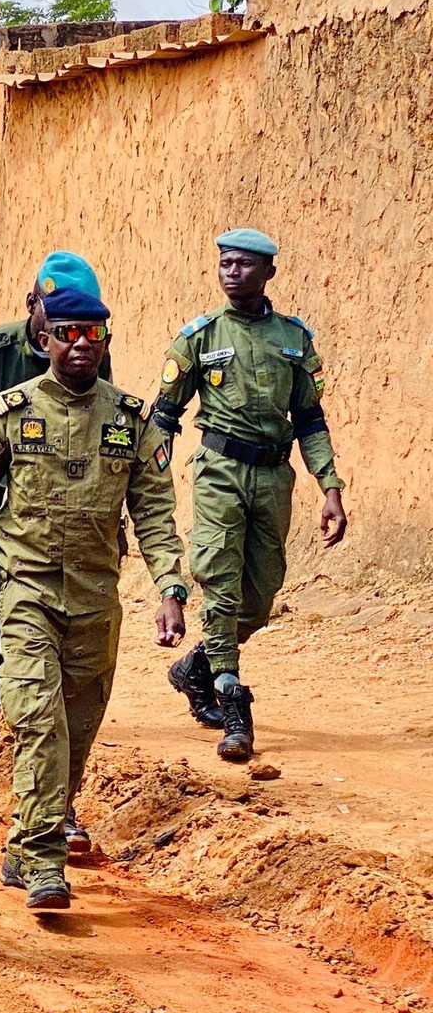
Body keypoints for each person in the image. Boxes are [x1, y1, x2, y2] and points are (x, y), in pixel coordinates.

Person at [0, 284, 188, 909]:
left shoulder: (131, 421)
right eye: (68, 332)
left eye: (94, 333)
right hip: (25, 593)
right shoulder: (9, 413)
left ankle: (25, 843)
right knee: (38, 720)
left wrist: (170, 587)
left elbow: (156, 513)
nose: (82, 344)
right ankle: (42, 861)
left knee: (76, 730)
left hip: (96, 602)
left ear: (106, 340)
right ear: (45, 340)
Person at [0, 252, 111, 839]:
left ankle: (54, 802)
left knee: (58, 678)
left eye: (76, 321)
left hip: (56, 542)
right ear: (32, 303)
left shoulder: (89, 348)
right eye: (48, 310)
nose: (60, 328)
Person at [155, 229, 345, 760]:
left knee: (261, 596)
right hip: (219, 471)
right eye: (225, 263)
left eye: (243, 265)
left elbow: (309, 417)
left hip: (273, 476)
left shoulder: (294, 338)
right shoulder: (199, 337)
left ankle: (196, 667)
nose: (232, 272)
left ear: (269, 274)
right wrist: (148, 481)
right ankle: (233, 706)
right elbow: (164, 417)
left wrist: (329, 486)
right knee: (220, 585)